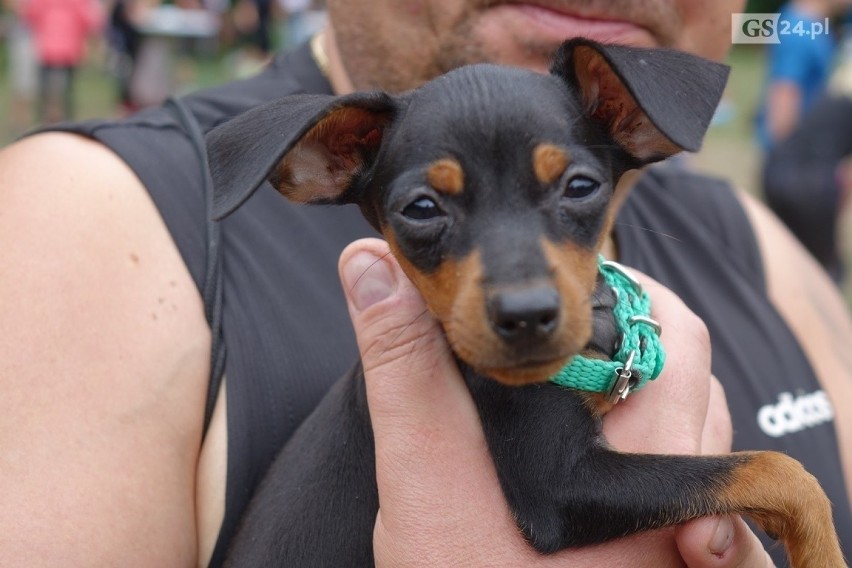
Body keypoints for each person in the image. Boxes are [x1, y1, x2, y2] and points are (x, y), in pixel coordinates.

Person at [0, 1, 849, 567]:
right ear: (330, 164)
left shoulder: (759, 243)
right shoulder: (87, 220)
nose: (518, 292)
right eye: (426, 210)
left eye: (575, 188)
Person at [756, 0, 849, 147]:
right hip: (797, 151)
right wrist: (787, 158)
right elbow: (784, 96)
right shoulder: (798, 30)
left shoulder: (811, 22)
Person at [21, 0, 104, 124]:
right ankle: (67, 122)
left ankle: (43, 120)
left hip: (46, 48)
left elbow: (30, 14)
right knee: (66, 91)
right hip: (69, 49)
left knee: (45, 89)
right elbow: (89, 20)